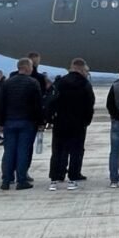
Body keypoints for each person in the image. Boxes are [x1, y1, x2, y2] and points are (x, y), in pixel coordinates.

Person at [47, 58, 95, 191]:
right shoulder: (84, 84)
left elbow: (51, 102)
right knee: (76, 151)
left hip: (60, 122)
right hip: (78, 123)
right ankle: (73, 177)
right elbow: (90, 104)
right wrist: (87, 121)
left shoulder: (60, 82)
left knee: (58, 150)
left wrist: (50, 119)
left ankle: (55, 177)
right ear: (81, 69)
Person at [0, 58, 43, 191]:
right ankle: (21, 180)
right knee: (23, 151)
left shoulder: (7, 83)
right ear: (27, 67)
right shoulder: (33, 83)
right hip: (27, 121)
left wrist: (0, 122)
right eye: (31, 67)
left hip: (9, 121)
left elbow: (1, 104)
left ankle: (6, 180)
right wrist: (40, 122)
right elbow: (37, 105)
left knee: (9, 151)